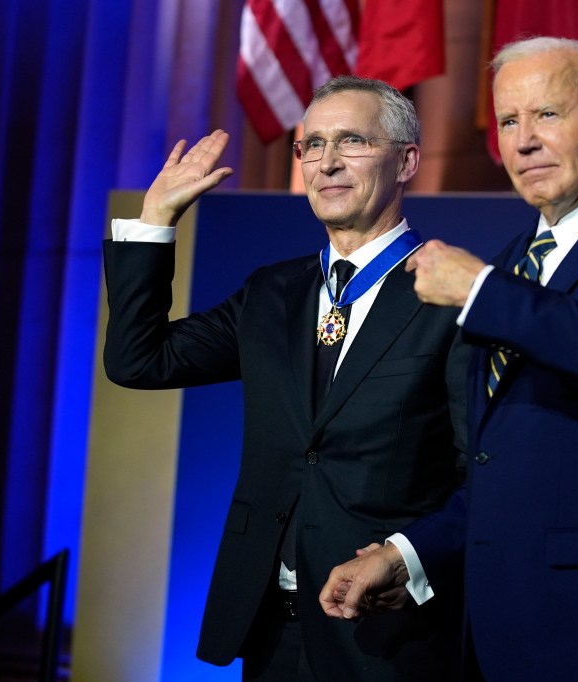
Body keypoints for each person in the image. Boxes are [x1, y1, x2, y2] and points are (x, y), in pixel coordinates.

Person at [319, 37, 578, 681]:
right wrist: (407, 555)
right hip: (496, 631)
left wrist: (483, 292)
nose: (524, 141)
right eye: (509, 121)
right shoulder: (512, 262)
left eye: (547, 115)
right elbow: (499, 466)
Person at [103, 75, 467, 680]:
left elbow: (481, 471)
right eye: (311, 145)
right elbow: (140, 359)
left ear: (406, 161)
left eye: (351, 141)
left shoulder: (452, 293)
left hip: (390, 636)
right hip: (269, 629)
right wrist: (155, 220)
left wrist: (406, 557)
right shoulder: (273, 292)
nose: (325, 162)